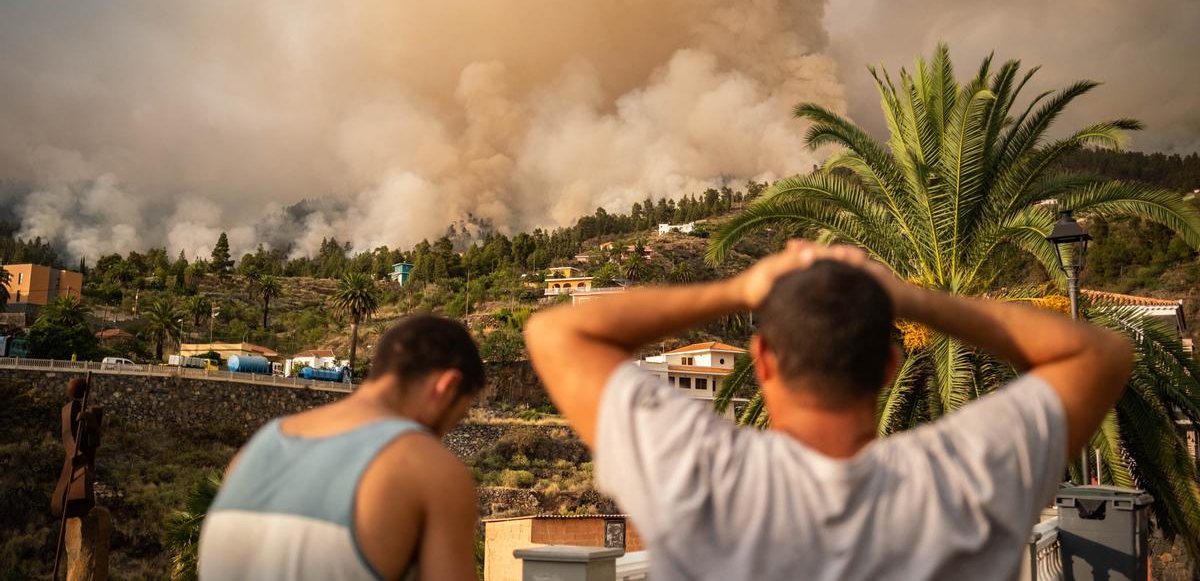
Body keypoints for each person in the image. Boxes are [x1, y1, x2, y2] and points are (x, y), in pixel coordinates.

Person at [524, 241, 1133, 580]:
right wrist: (903, 294)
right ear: (891, 367)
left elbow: (556, 335)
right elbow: (1098, 353)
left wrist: (742, 287)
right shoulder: (963, 475)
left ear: (760, 360)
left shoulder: (697, 472)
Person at [198, 313, 484, 581]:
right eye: (456, 417)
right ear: (446, 386)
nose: (441, 435)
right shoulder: (429, 469)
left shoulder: (249, 454)